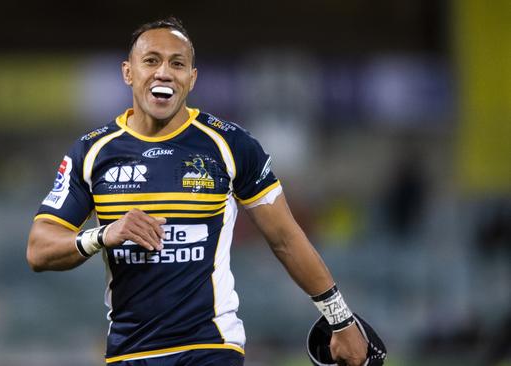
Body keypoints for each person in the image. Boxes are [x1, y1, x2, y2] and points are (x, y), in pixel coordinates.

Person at [27, 17, 368, 366]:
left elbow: (286, 237)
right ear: (128, 73)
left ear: (191, 78)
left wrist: (340, 318)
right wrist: (102, 235)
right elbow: (39, 249)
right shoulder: (92, 152)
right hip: (130, 353)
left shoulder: (230, 144)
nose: (164, 72)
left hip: (212, 347)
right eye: (151, 60)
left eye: (177, 63)